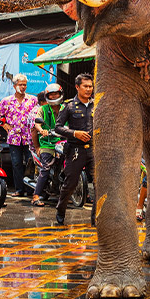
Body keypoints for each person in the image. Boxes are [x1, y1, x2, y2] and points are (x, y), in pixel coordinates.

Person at [54, 73, 95, 225]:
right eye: (85, 86)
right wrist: (74, 133)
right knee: (70, 184)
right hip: (75, 150)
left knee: (99, 185)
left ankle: (95, 218)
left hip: (93, 150)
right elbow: (58, 127)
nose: (88, 89)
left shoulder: (96, 104)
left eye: (90, 86)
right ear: (77, 87)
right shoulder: (69, 106)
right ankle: (61, 210)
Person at [0, 73, 39, 198]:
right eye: (20, 84)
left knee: (30, 163)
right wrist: (5, 125)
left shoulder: (33, 100)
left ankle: (30, 189)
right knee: (16, 163)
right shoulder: (7, 101)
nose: (23, 87)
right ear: (14, 86)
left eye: (25, 85)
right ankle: (19, 189)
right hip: (14, 137)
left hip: (29, 137)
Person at [30, 83, 64, 207]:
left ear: (60, 94)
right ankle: (36, 196)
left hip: (63, 141)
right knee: (46, 168)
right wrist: (42, 130)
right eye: (51, 94)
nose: (54, 96)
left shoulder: (65, 108)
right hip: (47, 143)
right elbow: (37, 124)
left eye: (56, 94)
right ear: (47, 96)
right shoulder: (43, 109)